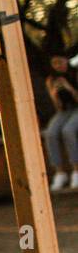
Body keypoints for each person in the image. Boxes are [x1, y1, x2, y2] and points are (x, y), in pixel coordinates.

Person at [44, 55, 78, 191]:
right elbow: (58, 107)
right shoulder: (51, 79)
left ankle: (76, 169)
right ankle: (60, 172)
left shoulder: (75, 73)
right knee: (50, 133)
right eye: (55, 63)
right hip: (65, 111)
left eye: (61, 62)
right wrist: (54, 94)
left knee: (68, 131)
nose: (59, 66)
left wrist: (69, 88)